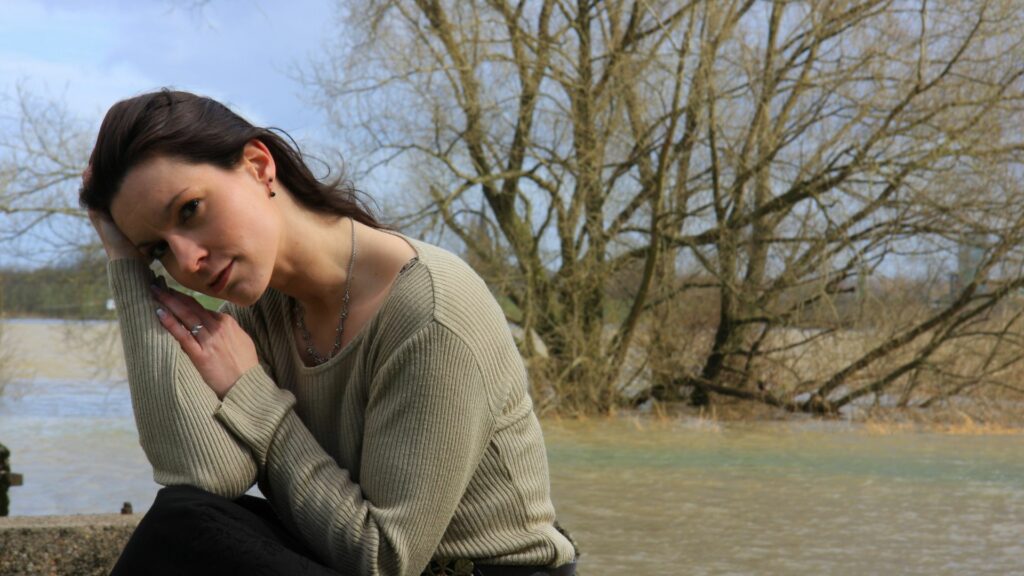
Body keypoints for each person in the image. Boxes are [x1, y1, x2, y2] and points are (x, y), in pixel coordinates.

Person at [80, 89, 578, 576]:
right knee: (185, 523)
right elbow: (208, 477)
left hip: (484, 571)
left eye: (189, 210)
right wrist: (127, 268)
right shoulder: (267, 310)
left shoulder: (430, 311)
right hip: (350, 556)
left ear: (258, 166)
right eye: (158, 251)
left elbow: (384, 559)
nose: (187, 260)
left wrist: (247, 388)